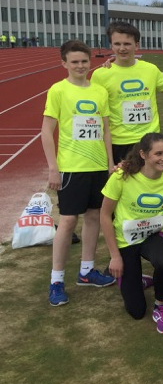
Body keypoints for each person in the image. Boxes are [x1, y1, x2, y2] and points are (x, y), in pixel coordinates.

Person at [42, 40, 116, 306]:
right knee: (68, 221)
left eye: (84, 61)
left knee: (95, 216)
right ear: (64, 63)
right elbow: (46, 131)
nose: (80, 66)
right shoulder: (58, 90)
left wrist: (109, 163)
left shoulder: (99, 91)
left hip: (98, 167)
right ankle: (56, 280)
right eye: (74, 62)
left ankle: (86, 270)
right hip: (72, 167)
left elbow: (105, 130)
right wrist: (53, 168)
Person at [100, 133, 163, 333]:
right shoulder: (122, 176)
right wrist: (115, 257)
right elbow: (105, 215)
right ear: (143, 154)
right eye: (158, 153)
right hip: (125, 240)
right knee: (136, 311)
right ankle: (135, 279)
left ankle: (161, 306)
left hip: (152, 234)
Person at [91, 21, 163, 164]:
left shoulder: (151, 70)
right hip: (119, 142)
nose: (122, 48)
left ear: (136, 45)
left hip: (149, 141)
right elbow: (96, 113)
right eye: (117, 44)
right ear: (111, 46)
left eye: (127, 44)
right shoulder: (100, 75)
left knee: (150, 178)